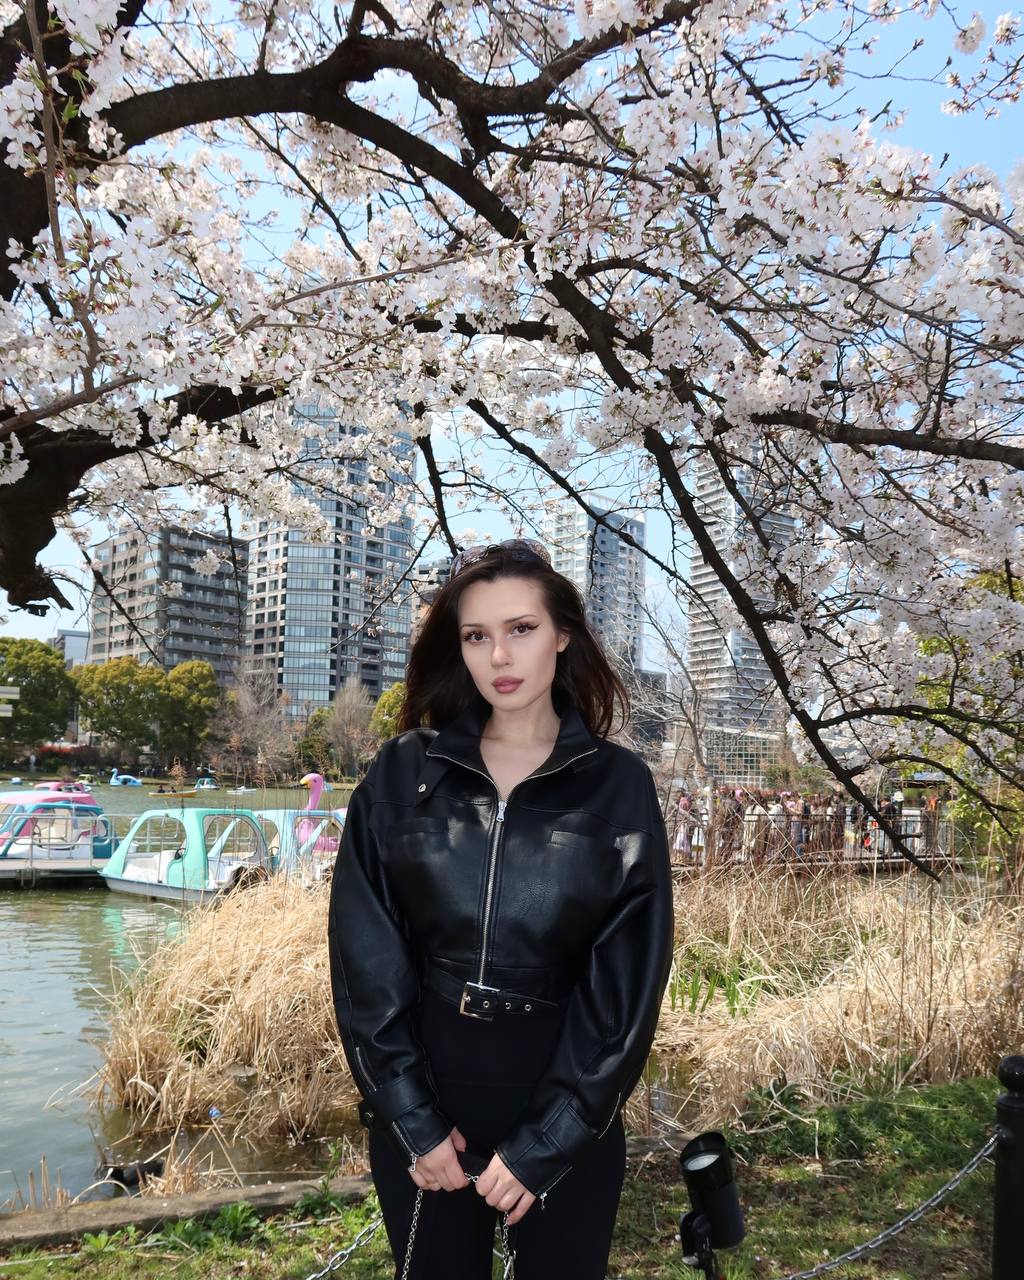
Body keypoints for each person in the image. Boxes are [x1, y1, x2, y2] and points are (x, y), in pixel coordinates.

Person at [327, 537, 674, 1279]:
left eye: (521, 628)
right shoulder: (404, 772)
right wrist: (410, 1117)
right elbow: (366, 959)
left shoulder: (619, 785)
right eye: (476, 636)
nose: (500, 656)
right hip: (431, 1106)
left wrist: (550, 1140)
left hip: (565, 1103)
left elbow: (626, 987)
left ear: (563, 634)